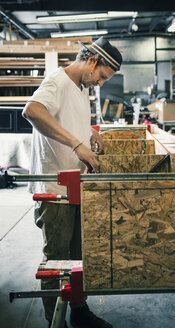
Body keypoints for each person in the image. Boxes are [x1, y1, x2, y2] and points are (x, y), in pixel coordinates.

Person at [22, 37, 123, 328]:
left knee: (80, 253)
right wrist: (78, 145)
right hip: (56, 190)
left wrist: (91, 132)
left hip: (78, 185)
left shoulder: (81, 88)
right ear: (91, 62)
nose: (101, 83)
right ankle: (55, 322)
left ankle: (78, 310)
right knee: (57, 258)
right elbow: (33, 111)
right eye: (102, 76)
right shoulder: (58, 81)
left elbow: (67, 119)